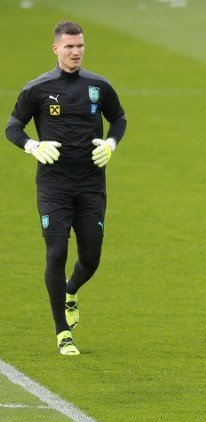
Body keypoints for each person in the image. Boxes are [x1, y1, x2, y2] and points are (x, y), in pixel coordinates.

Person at [5, 21, 127, 356]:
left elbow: (119, 118)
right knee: (56, 252)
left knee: (91, 258)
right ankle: (62, 332)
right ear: (55, 48)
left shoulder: (98, 86)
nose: (76, 52)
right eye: (69, 47)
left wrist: (112, 143)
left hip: (90, 185)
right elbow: (13, 126)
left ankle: (71, 291)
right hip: (54, 186)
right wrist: (33, 146)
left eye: (80, 46)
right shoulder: (38, 89)